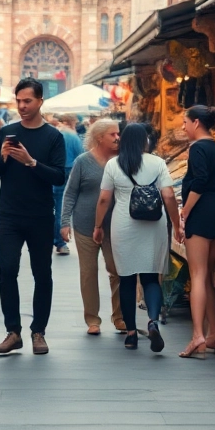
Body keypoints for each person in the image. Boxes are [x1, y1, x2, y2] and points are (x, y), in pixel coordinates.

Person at [0, 79, 67, 355]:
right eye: (18, 101)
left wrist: (31, 162)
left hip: (40, 216)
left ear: (40, 101)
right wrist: (5, 157)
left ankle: (38, 332)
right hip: (9, 215)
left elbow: (59, 176)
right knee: (7, 271)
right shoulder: (8, 132)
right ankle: (13, 331)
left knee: (42, 274)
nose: (22, 106)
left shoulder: (53, 136)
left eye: (28, 101)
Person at [93, 123, 180, 353]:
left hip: (124, 226)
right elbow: (169, 195)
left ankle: (131, 334)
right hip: (154, 226)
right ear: (145, 141)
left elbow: (104, 199)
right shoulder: (158, 163)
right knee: (151, 277)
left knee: (127, 278)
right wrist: (177, 225)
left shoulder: (114, 164)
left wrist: (98, 226)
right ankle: (152, 321)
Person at [175, 105, 215, 358]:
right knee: (207, 273)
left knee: (197, 274)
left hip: (201, 211)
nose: (183, 127)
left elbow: (199, 181)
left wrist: (185, 211)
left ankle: (198, 334)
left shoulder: (198, 148)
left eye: (185, 122)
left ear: (196, 123)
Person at [60, 118, 126, 334]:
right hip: (84, 225)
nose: (118, 138)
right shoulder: (82, 161)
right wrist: (64, 222)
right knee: (88, 272)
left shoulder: (122, 161)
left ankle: (119, 317)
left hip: (114, 226)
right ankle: (93, 320)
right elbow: (70, 193)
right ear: (99, 138)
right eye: (113, 134)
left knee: (117, 271)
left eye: (118, 134)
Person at [54, 114, 83, 255]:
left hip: (56, 170)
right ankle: (60, 240)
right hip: (69, 170)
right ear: (72, 122)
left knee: (57, 205)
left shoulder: (56, 134)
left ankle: (58, 240)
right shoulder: (73, 137)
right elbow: (80, 155)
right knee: (64, 205)